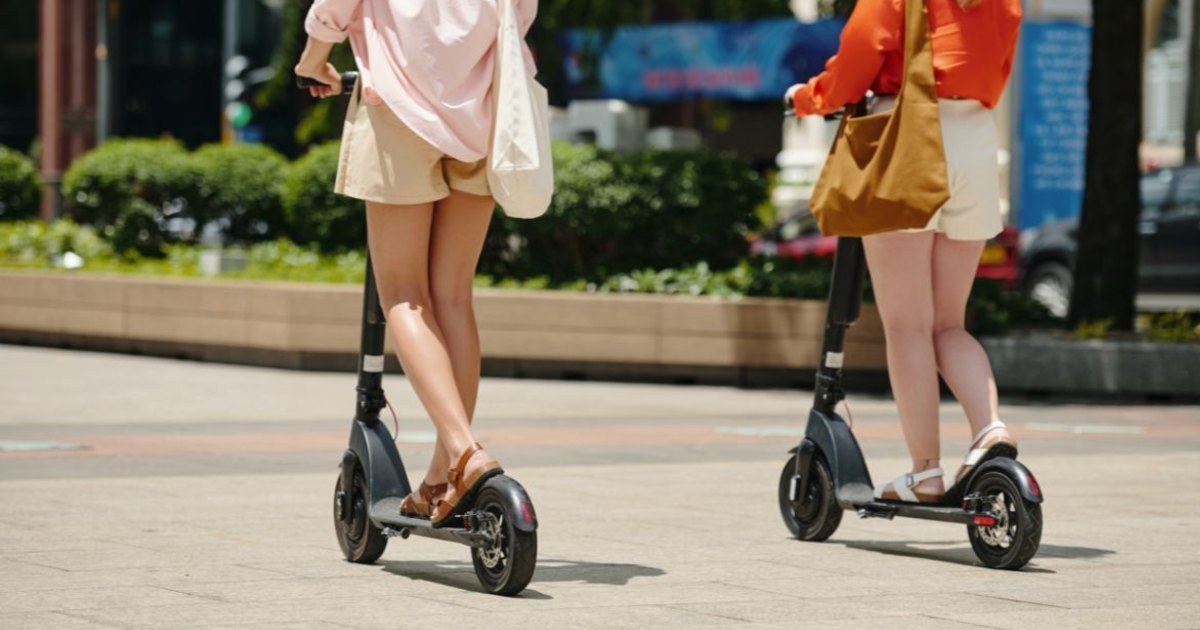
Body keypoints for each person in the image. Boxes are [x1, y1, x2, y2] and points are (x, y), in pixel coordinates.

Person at [295, 0, 538, 525]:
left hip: (398, 110)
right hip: (485, 114)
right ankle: (439, 477)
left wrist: (315, 60)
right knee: (453, 296)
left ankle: (465, 451)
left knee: (405, 295)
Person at [786, 0, 1023, 502]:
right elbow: (996, 70)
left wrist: (806, 98)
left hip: (907, 140)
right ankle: (990, 428)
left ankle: (925, 471)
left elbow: (854, 65)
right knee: (948, 325)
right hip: (976, 142)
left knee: (909, 326)